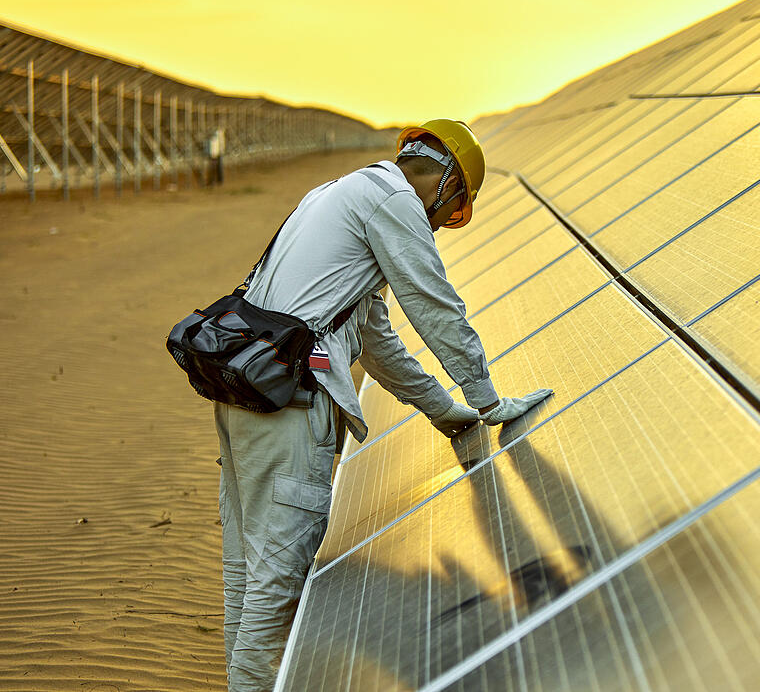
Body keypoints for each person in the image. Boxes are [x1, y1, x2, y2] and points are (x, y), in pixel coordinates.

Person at [212, 118, 552, 691]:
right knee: (276, 586)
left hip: (243, 391)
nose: (442, 225)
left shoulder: (341, 192)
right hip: (291, 408)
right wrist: (488, 400)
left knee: (248, 575)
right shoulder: (395, 202)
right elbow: (436, 307)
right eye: (452, 210)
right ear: (445, 185)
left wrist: (450, 413)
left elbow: (377, 344)